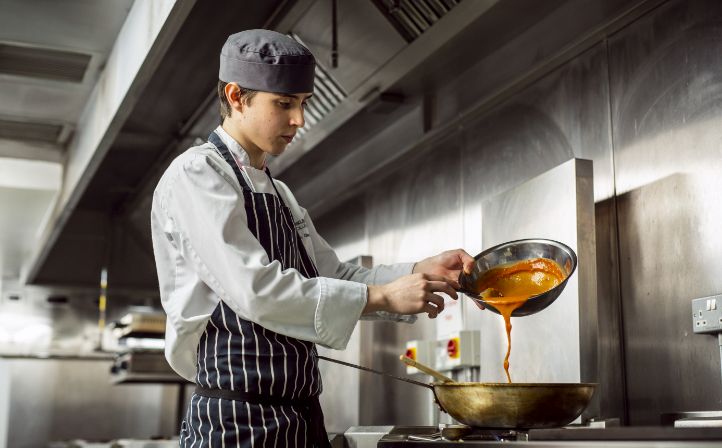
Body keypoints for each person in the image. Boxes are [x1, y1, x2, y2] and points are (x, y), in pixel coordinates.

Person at [151, 29, 475, 448]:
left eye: (303, 104)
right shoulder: (196, 174)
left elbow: (334, 274)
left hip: (302, 419)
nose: (299, 120)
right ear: (235, 96)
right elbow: (256, 291)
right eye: (284, 104)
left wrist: (418, 271)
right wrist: (383, 297)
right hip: (237, 424)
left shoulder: (280, 194)